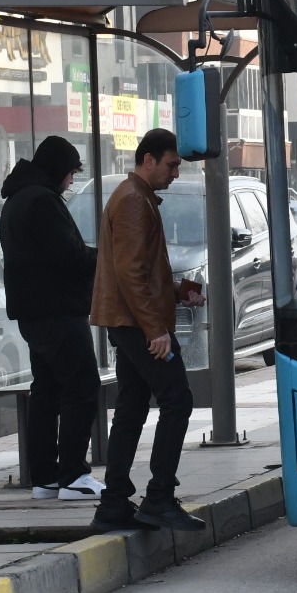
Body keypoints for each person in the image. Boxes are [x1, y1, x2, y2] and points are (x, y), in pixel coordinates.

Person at [87, 129, 207, 533]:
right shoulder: (134, 201)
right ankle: (158, 498)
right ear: (149, 160)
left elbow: (139, 271)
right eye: (172, 164)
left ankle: (114, 503)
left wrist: (176, 292)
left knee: (133, 407)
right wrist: (156, 329)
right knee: (177, 399)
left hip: (129, 320)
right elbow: (129, 273)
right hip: (138, 324)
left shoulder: (134, 197)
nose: (176, 173)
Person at [0, 135, 103, 502]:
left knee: (47, 391)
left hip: (34, 313)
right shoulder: (42, 201)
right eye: (71, 172)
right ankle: (73, 474)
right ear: (57, 168)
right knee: (82, 386)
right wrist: (104, 256)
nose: (72, 180)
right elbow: (70, 255)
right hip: (58, 311)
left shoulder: (17, 199)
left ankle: (45, 478)